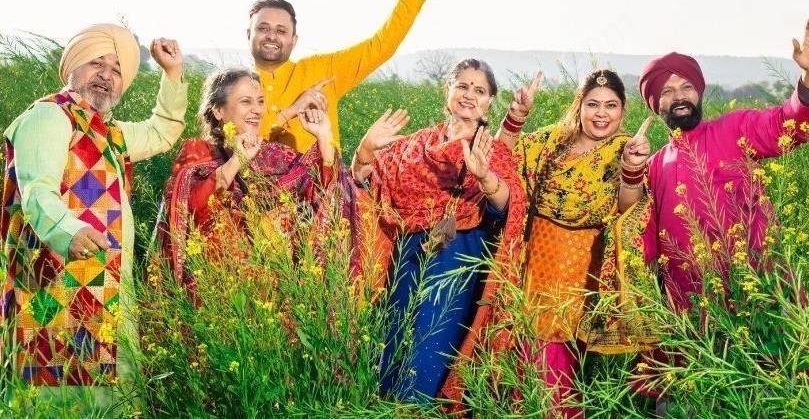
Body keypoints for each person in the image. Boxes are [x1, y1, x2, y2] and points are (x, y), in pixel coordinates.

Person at [1, 25, 186, 400]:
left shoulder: (110, 133)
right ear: (71, 68)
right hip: (53, 284)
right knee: (59, 391)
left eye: (117, 69)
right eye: (96, 63)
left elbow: (162, 132)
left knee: (109, 394)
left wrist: (172, 74)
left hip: (107, 285)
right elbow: (37, 189)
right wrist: (67, 230)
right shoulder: (49, 117)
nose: (106, 74)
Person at [351, 58, 527, 405]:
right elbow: (367, 187)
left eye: (479, 90)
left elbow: (509, 207)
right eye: (462, 86)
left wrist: (484, 176)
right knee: (393, 343)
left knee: (429, 353)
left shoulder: (493, 152)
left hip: (458, 262)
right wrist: (365, 152)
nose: (468, 94)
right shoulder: (412, 146)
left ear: (490, 102)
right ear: (447, 93)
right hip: (408, 260)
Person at [496, 69, 658, 417]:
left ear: (622, 110)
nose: (601, 114)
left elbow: (629, 209)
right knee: (524, 358)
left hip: (582, 272)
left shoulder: (623, 149)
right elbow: (501, 159)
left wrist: (632, 168)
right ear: (579, 106)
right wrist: (515, 118)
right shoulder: (553, 141)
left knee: (556, 366)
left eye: (611, 106)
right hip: (535, 265)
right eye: (593, 104)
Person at [638, 20, 809, 311]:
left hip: (757, 287)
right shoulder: (652, 166)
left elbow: (785, 128)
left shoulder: (734, 129)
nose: (679, 96)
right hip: (689, 302)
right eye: (667, 91)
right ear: (655, 103)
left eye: (686, 87)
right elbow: (644, 243)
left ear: (699, 92)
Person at [156, 68, 358, 294]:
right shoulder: (198, 153)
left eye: (260, 101)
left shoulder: (277, 154)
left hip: (277, 290)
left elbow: (322, 194)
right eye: (246, 102)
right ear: (218, 110)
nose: (257, 110)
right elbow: (190, 211)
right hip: (218, 290)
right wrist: (237, 161)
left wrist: (324, 136)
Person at [251, 0, 441, 152]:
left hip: (322, 186)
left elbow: (381, 46)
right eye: (263, 28)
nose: (272, 35)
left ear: (294, 40)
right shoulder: (236, 88)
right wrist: (291, 110)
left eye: (281, 30)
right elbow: (235, 148)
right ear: (249, 35)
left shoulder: (322, 71)